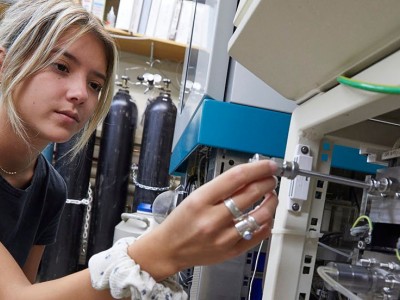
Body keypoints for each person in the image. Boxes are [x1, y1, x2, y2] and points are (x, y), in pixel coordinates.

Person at [0, 0, 279, 299]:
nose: (80, 93)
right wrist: (164, 250)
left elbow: (27, 290)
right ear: (4, 64)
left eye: (95, 84)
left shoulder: (51, 189)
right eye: (61, 66)